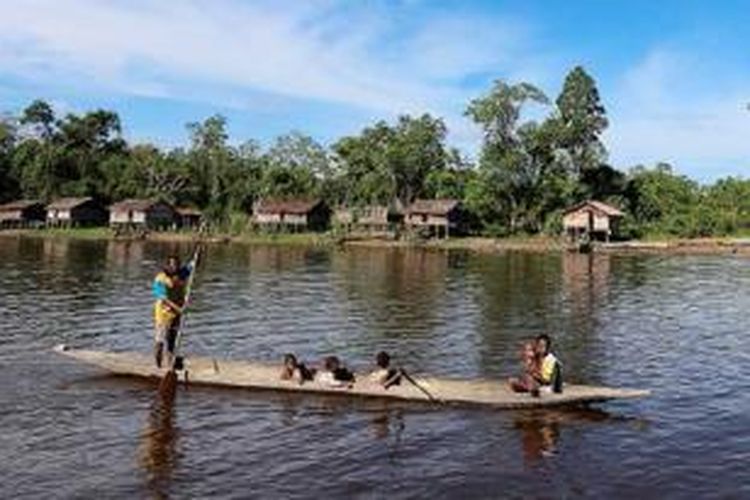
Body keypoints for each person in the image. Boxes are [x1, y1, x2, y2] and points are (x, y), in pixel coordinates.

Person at [152, 255, 193, 368]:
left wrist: (199, 254)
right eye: (172, 265)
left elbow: (191, 266)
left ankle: (170, 364)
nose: (174, 267)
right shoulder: (160, 279)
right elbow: (163, 299)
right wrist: (179, 308)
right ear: (167, 266)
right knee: (160, 340)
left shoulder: (181, 274)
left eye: (176, 265)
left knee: (172, 339)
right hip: (163, 314)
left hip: (177, 313)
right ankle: (158, 366)